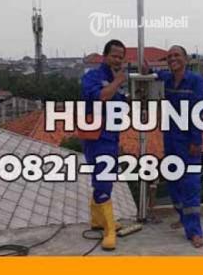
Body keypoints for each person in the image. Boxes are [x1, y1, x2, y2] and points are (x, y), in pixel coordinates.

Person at [155, 45, 203, 248]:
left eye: (176, 55)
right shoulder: (167, 79)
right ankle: (183, 218)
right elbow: (155, 74)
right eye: (169, 56)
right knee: (173, 181)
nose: (172, 59)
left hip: (188, 140)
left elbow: (198, 111)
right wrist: (146, 69)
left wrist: (196, 140)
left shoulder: (196, 81)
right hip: (170, 139)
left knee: (190, 184)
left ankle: (194, 232)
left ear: (186, 59)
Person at [81, 39, 127, 250]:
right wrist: (118, 82)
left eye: (120, 57)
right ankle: (109, 231)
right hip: (96, 137)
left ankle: (97, 220)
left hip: (111, 137)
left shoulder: (114, 80)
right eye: (114, 56)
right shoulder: (92, 77)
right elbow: (100, 97)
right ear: (105, 56)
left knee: (103, 178)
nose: (117, 60)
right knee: (104, 180)